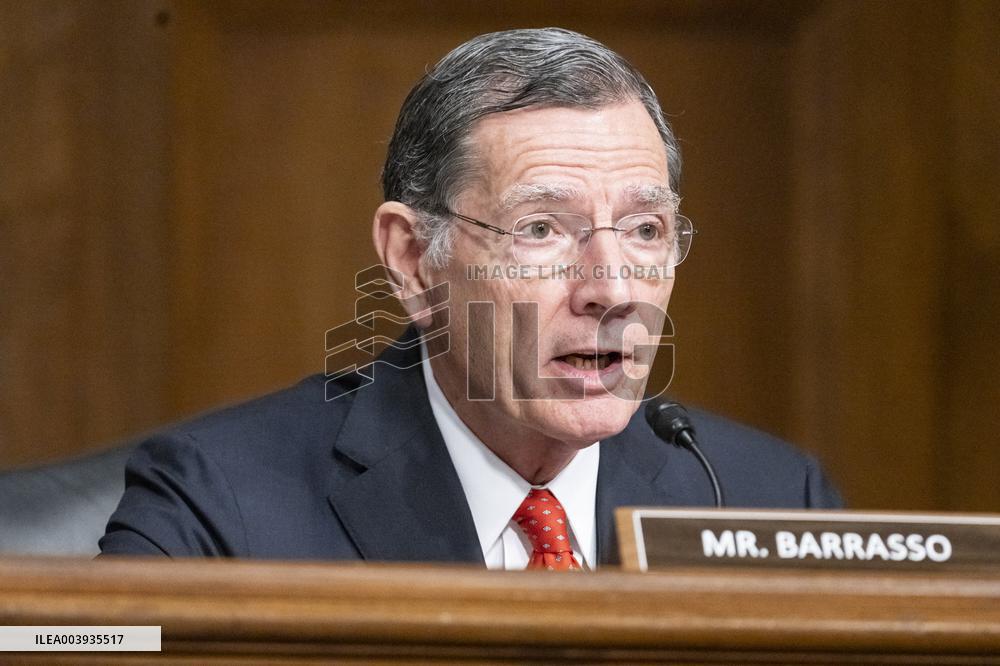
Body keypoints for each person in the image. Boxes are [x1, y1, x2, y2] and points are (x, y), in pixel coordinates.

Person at [100, 28, 841, 568]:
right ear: (413, 259)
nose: (614, 291)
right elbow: (81, 642)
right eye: (542, 229)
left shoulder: (772, 498)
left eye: (646, 230)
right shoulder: (220, 499)